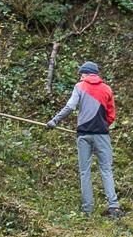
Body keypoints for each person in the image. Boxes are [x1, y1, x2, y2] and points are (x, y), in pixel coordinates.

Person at [47, 61, 121, 218]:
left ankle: (88, 210)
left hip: (83, 135)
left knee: (84, 172)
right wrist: (101, 126)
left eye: (82, 73)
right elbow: (111, 115)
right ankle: (114, 207)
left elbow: (70, 107)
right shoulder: (107, 89)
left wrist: (55, 121)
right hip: (102, 135)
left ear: (87, 73)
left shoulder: (80, 87)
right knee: (106, 170)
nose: (81, 77)